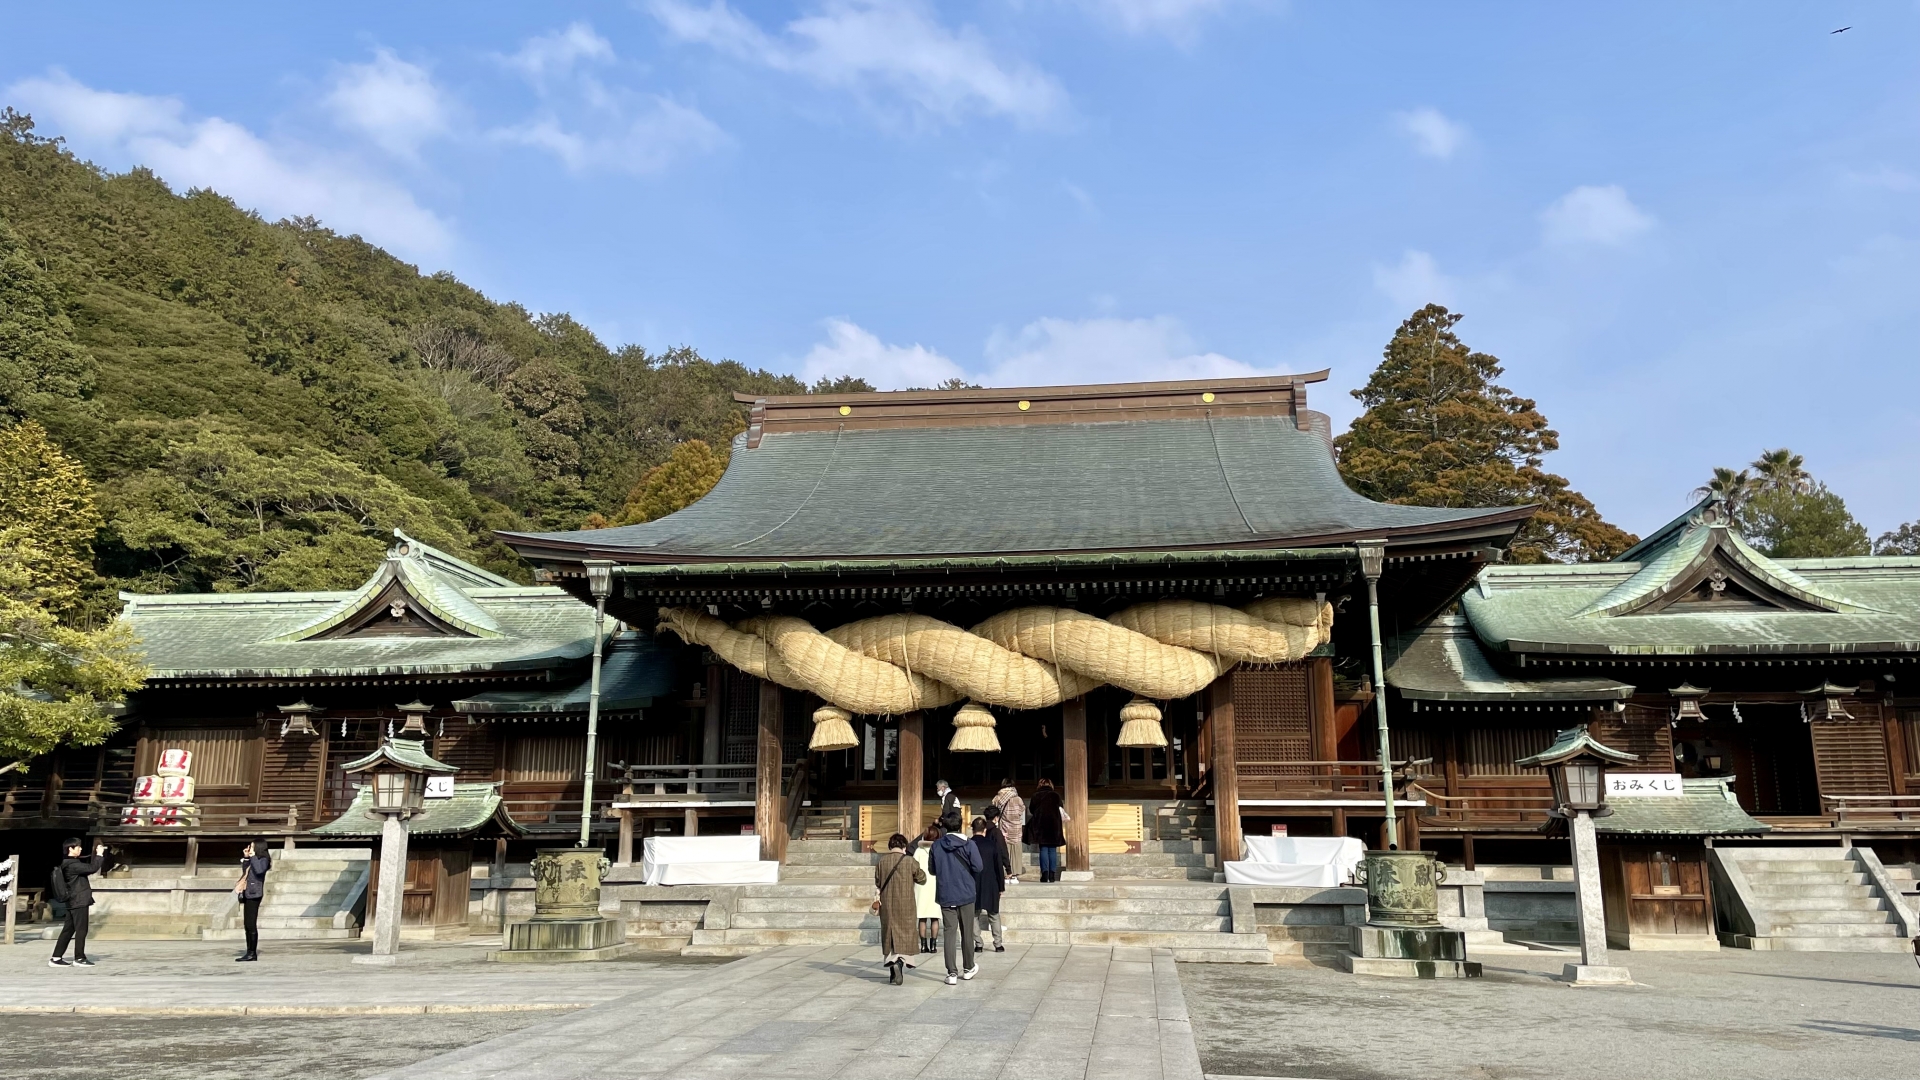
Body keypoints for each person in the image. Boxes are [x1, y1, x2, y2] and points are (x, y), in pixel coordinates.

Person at [928, 818, 983, 984]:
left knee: (949, 932)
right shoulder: (969, 844)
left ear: (945, 827)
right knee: (967, 931)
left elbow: (932, 870)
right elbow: (978, 867)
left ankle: (951, 973)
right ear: (961, 826)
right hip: (965, 892)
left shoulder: (936, 845)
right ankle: (968, 968)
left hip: (946, 893)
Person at [874, 832, 927, 985]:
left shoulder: (882, 862)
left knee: (890, 935)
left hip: (887, 906)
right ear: (904, 846)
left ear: (890, 846)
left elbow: (878, 881)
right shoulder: (910, 861)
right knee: (905, 935)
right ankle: (900, 963)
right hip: (906, 905)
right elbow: (922, 878)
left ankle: (892, 965)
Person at [48, 838, 106, 968]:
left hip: (73, 901)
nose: (80, 849)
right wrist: (99, 854)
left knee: (68, 930)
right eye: (77, 847)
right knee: (81, 929)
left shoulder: (68, 863)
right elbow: (92, 868)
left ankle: (56, 958)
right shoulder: (72, 865)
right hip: (78, 900)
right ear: (70, 849)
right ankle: (79, 957)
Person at [970, 815, 1010, 953]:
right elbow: (999, 867)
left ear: (972, 829)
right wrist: (1001, 886)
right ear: (984, 830)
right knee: (994, 914)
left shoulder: (968, 845)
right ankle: (998, 944)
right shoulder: (992, 845)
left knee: (974, 915)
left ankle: (978, 943)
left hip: (972, 883)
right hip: (991, 883)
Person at [233, 839, 272, 961]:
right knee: (247, 924)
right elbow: (246, 871)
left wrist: (253, 857)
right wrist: (246, 858)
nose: (251, 849)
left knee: (251, 924)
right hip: (248, 892)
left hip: (255, 893)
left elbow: (259, 871)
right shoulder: (254, 859)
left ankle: (252, 953)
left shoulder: (263, 860)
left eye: (253, 847)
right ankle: (249, 950)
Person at [1028, 778, 1067, 882]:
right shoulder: (1056, 795)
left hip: (1041, 825)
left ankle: (1044, 874)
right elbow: (1061, 807)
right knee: (1052, 850)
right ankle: (1052, 874)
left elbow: (1031, 809)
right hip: (1054, 825)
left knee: (1043, 849)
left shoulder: (1036, 796)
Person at [911, 824, 941, 952]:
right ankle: (933, 945)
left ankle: (923, 945)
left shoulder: (918, 851)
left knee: (922, 918)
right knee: (935, 917)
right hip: (935, 886)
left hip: (921, 886)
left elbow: (913, 869)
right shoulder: (939, 851)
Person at [992, 779, 1027, 879]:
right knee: (1015, 849)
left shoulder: (998, 797)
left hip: (1003, 826)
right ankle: (1015, 873)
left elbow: (994, 807)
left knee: (1004, 849)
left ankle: (1005, 872)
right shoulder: (1018, 798)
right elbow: (1022, 810)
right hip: (1015, 826)